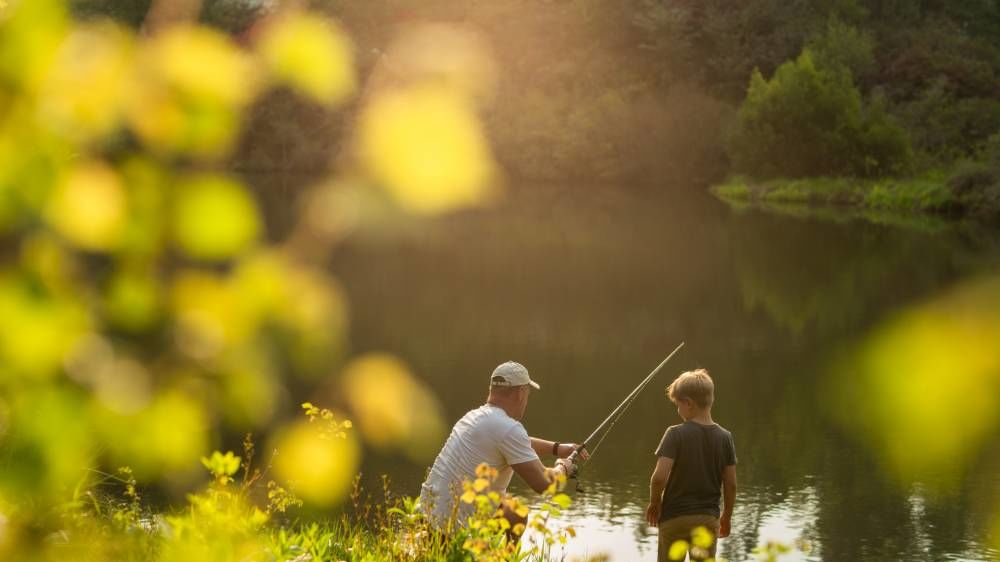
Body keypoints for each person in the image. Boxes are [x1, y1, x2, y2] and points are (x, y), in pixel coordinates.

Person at [419, 361, 588, 533]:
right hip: (450, 533)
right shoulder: (508, 430)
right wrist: (563, 467)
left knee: (514, 514)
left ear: (492, 390)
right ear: (521, 393)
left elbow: (517, 443)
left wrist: (556, 448)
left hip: (424, 518)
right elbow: (543, 484)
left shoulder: (474, 417)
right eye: (528, 393)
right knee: (514, 512)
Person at [645, 369, 737, 562]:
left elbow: (659, 477)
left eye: (678, 405)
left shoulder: (675, 434)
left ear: (688, 403)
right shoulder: (725, 437)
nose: (678, 411)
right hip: (707, 519)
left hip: (674, 519)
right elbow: (731, 485)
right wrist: (726, 517)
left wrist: (655, 503)